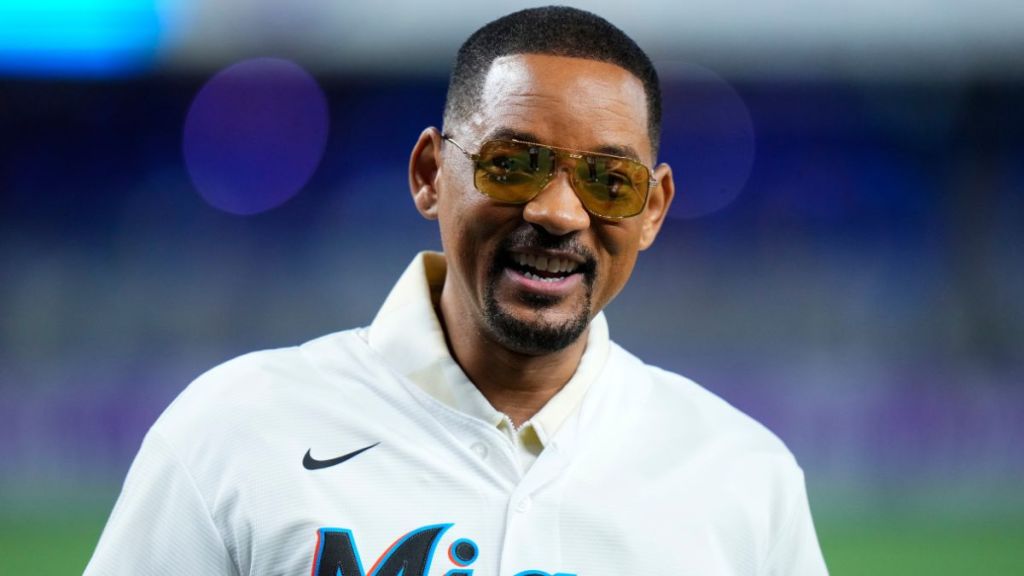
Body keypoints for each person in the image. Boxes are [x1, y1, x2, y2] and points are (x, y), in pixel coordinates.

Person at [86, 6, 828, 575]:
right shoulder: (233, 430)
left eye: (610, 181)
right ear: (429, 175)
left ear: (654, 210)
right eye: (513, 164)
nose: (558, 213)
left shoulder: (743, 476)